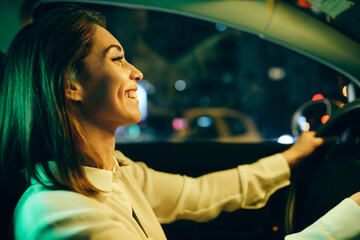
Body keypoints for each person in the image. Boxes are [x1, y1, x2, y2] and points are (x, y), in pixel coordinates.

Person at [0, 4, 358, 240]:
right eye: (117, 59)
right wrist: (350, 216)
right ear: (70, 84)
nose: (136, 72)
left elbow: (203, 193)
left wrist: (291, 158)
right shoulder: (62, 215)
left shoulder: (116, 175)